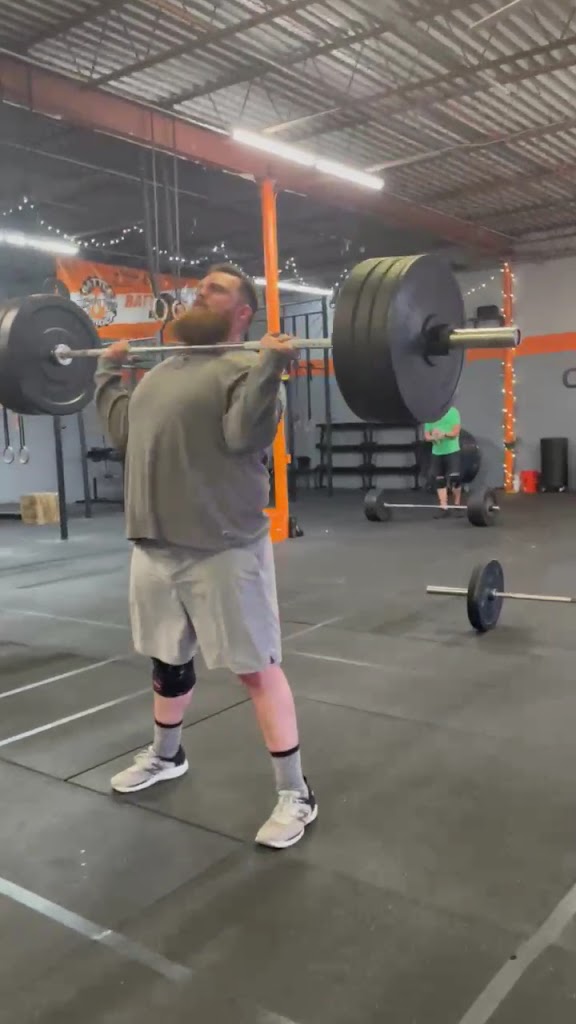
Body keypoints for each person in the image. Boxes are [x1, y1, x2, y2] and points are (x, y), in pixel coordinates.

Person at [94, 264, 317, 850]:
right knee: (167, 662)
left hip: (223, 548)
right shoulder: (158, 374)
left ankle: (296, 792)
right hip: (155, 545)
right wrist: (107, 373)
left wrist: (270, 368)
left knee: (256, 667)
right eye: (199, 287)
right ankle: (167, 756)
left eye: (214, 290)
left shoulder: (247, 367)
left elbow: (245, 434)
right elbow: (123, 434)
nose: (198, 293)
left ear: (242, 313)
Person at [423, 406, 462, 514]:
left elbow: (455, 433)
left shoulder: (453, 412)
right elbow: (426, 436)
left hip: (452, 451)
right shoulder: (430, 415)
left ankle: (457, 504)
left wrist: (443, 434)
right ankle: (443, 506)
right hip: (437, 453)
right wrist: (434, 437)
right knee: (440, 480)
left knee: (455, 478)